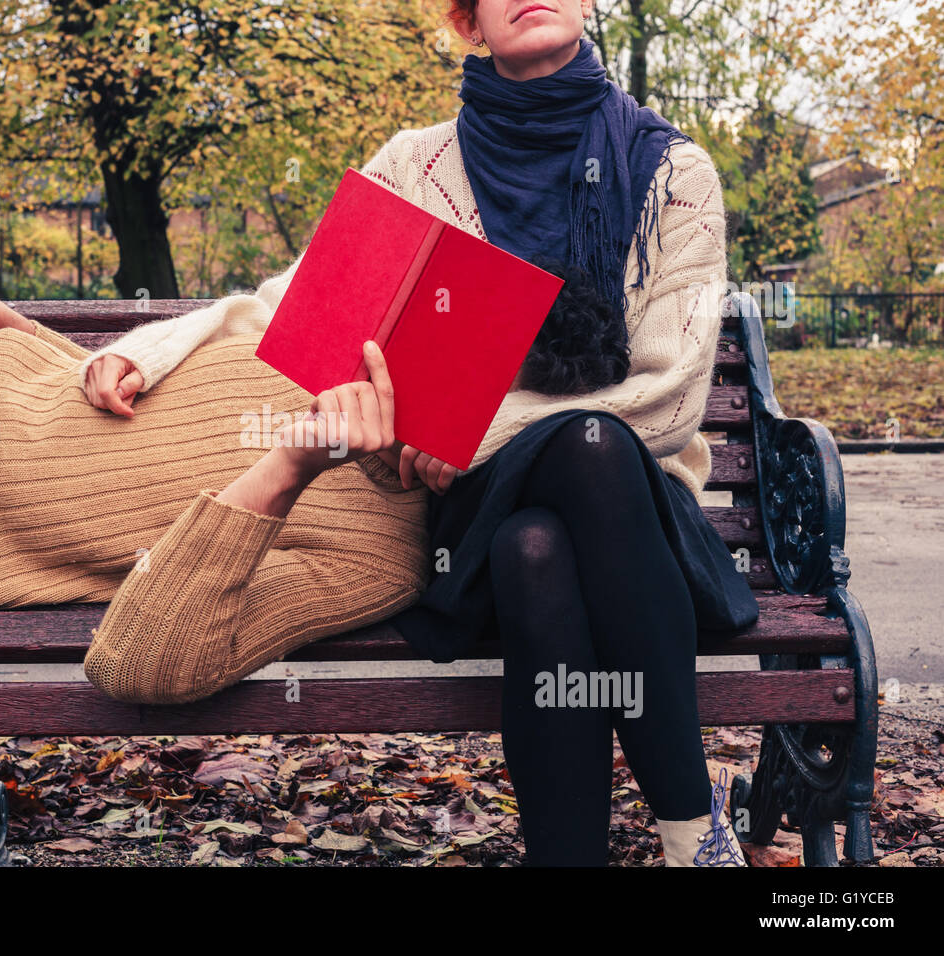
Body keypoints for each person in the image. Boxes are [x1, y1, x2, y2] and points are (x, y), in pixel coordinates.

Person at [71, 0, 758, 867]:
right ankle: (697, 838)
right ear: (469, 22)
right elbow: (292, 300)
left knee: (553, 519)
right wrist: (150, 348)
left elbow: (666, 402)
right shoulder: (414, 165)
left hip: (637, 516)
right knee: (528, 533)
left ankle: (672, 838)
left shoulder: (674, 174)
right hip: (457, 515)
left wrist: (464, 432)